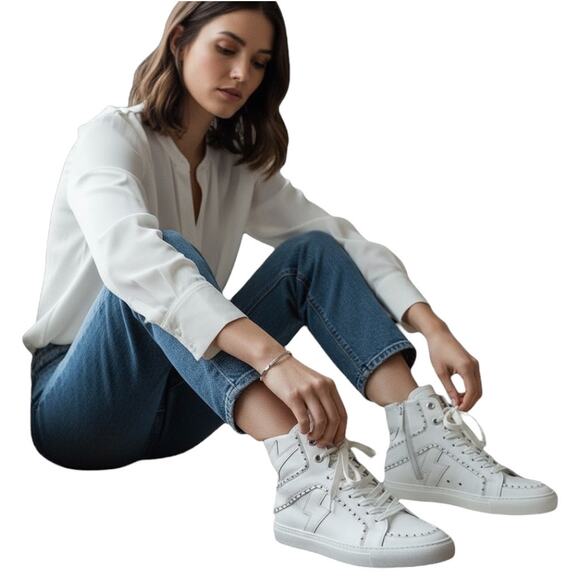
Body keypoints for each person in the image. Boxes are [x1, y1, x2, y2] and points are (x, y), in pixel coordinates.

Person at [22, 1, 557, 569]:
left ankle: (420, 439)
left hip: (187, 405)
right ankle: (308, 480)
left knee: (314, 252)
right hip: (81, 410)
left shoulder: (235, 165)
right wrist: (272, 359)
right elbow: (131, 259)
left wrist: (432, 327)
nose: (241, 75)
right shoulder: (110, 137)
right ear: (179, 41)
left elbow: (341, 240)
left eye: (259, 63)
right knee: (163, 258)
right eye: (226, 49)